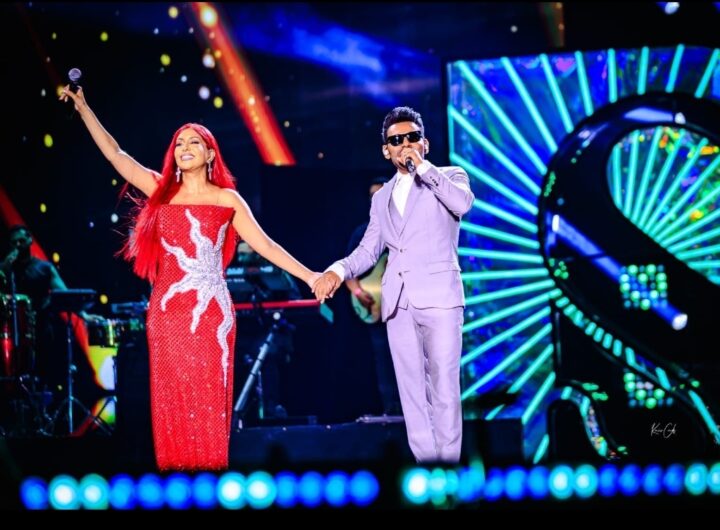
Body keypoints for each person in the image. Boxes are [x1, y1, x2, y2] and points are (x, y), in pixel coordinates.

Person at [60, 85, 321, 471]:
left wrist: (311, 276)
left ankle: (211, 477)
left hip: (211, 315)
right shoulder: (161, 191)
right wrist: (84, 109)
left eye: (194, 142)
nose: (184, 147)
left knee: (210, 401)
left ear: (210, 154)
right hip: (167, 315)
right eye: (179, 142)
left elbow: (266, 245)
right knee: (172, 402)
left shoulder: (227, 199)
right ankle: (177, 481)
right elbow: (116, 155)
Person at [314, 106, 474, 463]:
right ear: (386, 150)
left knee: (444, 387)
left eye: (412, 137)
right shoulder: (381, 197)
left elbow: (462, 204)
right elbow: (368, 249)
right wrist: (337, 271)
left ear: (425, 143)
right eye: (396, 140)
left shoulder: (449, 176)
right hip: (398, 303)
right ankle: (428, 468)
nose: (405, 144)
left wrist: (423, 168)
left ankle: (449, 469)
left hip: (440, 297)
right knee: (411, 392)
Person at [344, 177, 402, 418]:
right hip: (377, 307)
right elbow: (348, 270)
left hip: (405, 306)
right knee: (383, 361)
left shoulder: (406, 228)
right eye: (372, 196)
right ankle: (391, 411)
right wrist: (359, 292)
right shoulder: (363, 232)